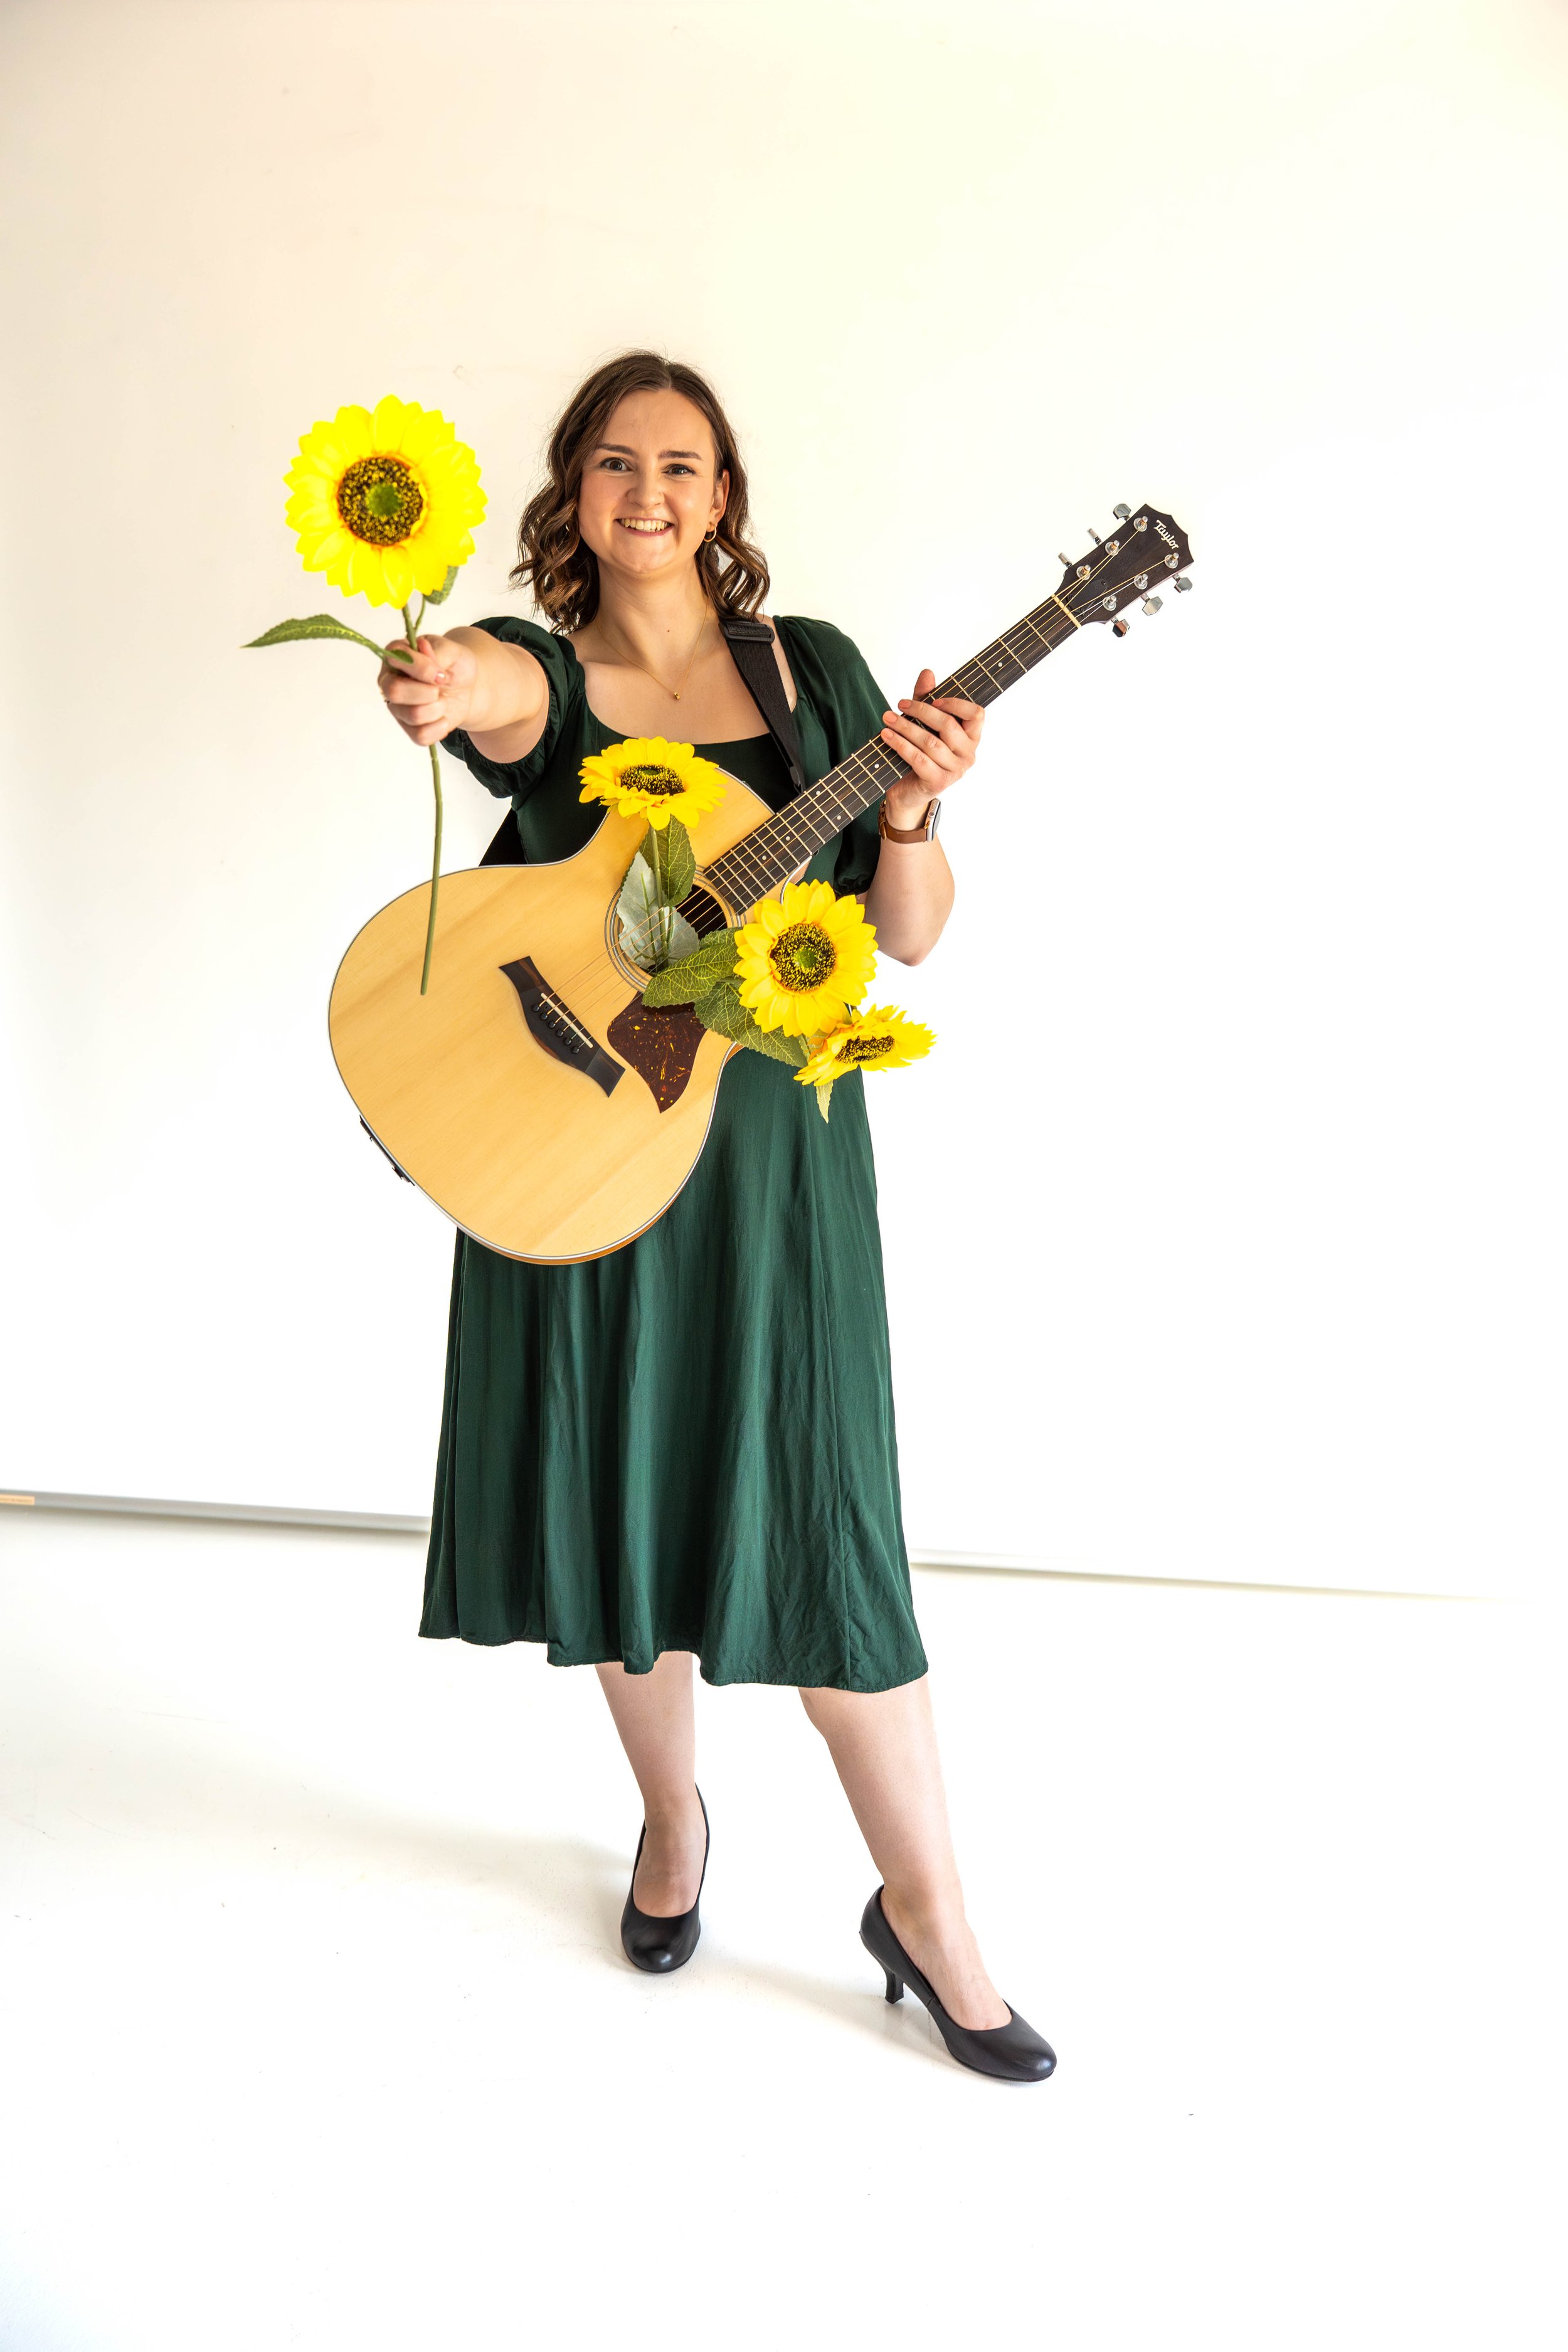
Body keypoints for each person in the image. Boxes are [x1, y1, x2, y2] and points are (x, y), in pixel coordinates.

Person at [376, 351, 1054, 2084]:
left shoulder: (808, 672)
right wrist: (444, 678)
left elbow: (905, 937)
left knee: (832, 1528)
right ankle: (670, 1823)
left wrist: (906, 803)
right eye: (613, 464)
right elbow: (503, 695)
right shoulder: (551, 672)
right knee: (625, 1511)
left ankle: (932, 1918)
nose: (649, 493)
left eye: (680, 465)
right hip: (579, 1139)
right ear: (574, 493)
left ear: (726, 493)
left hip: (768, 1166)